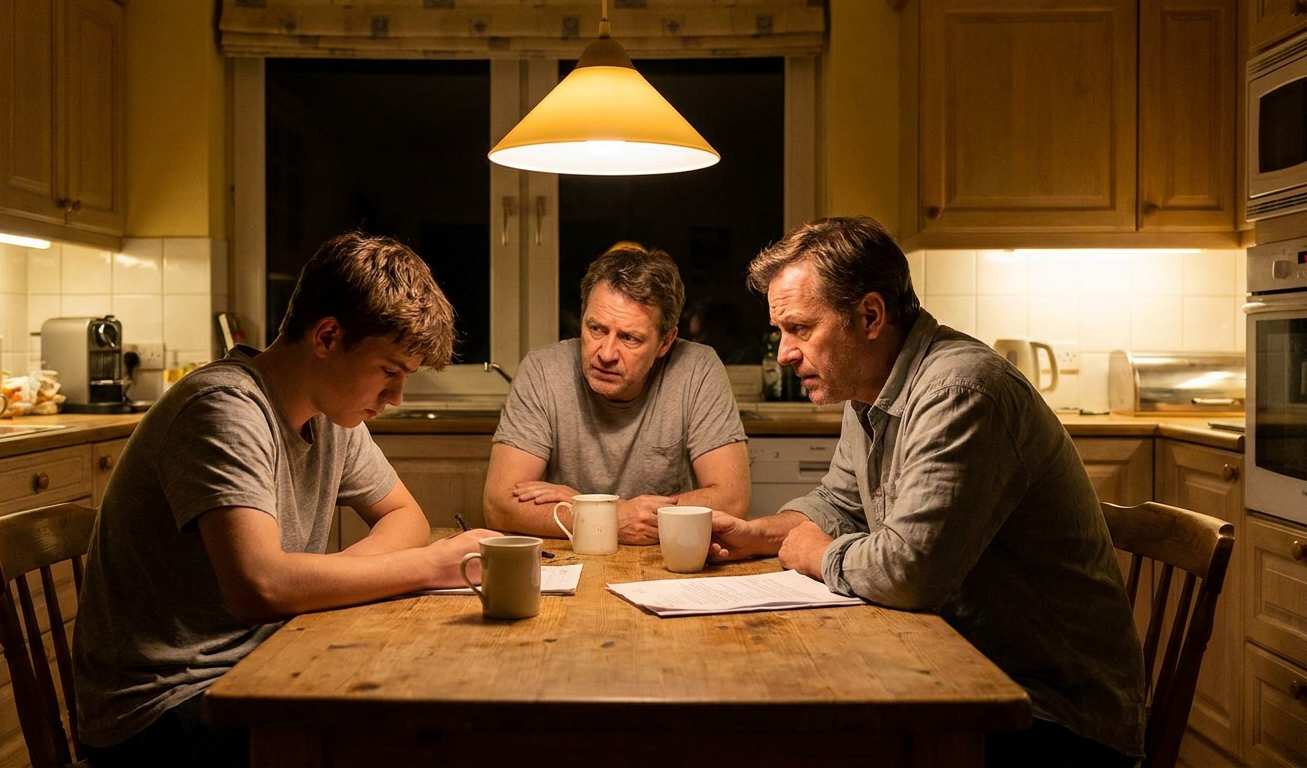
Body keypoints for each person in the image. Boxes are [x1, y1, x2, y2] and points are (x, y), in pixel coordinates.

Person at [708, 217, 1146, 767]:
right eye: (781, 332)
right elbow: (838, 504)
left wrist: (817, 554)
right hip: (956, 671)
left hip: (1049, 713)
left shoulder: (961, 391)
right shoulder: (868, 388)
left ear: (870, 316)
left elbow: (910, 570)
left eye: (800, 329)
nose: (784, 353)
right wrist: (757, 535)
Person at [73, 233, 499, 767]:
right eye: (389, 372)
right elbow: (261, 587)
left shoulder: (330, 413)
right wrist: (431, 566)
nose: (395, 398)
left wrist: (329, 581)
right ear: (327, 337)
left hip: (262, 659)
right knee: (408, 743)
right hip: (163, 711)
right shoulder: (223, 408)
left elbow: (404, 516)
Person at [485, 245, 750, 544]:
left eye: (629, 338)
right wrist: (611, 517)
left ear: (665, 342)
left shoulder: (697, 368)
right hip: (569, 556)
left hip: (664, 557)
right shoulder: (543, 370)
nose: (606, 354)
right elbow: (499, 505)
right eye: (596, 329)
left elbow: (732, 500)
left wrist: (587, 507)